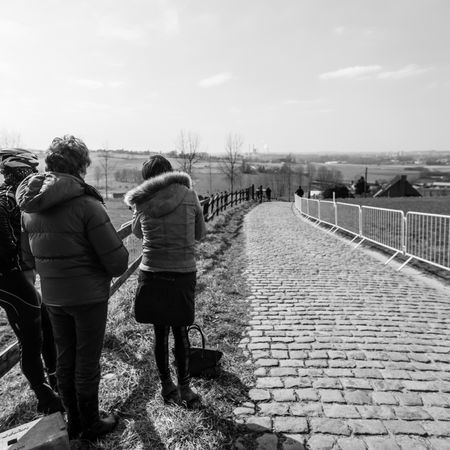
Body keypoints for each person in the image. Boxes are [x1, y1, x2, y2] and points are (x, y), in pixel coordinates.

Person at [16, 135, 129, 441]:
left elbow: (28, 259)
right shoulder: (87, 205)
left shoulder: (29, 208)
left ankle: (74, 421)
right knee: (87, 360)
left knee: (64, 358)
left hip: (54, 297)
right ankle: (91, 422)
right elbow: (118, 262)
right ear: (80, 166)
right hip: (89, 296)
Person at [124, 155, 206, 407]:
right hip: (182, 271)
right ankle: (185, 388)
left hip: (152, 272)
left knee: (160, 333)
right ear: (169, 173)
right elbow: (200, 234)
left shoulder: (142, 201)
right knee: (181, 332)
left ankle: (167, 387)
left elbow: (137, 232)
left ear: (147, 179)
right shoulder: (189, 195)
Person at [0, 148, 63, 414]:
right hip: (8, 278)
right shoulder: (4, 199)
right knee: (31, 338)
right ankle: (45, 398)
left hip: (13, 276)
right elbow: (5, 244)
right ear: (19, 171)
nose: (35, 174)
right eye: (31, 169)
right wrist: (16, 260)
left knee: (45, 323)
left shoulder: (13, 195)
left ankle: (56, 382)